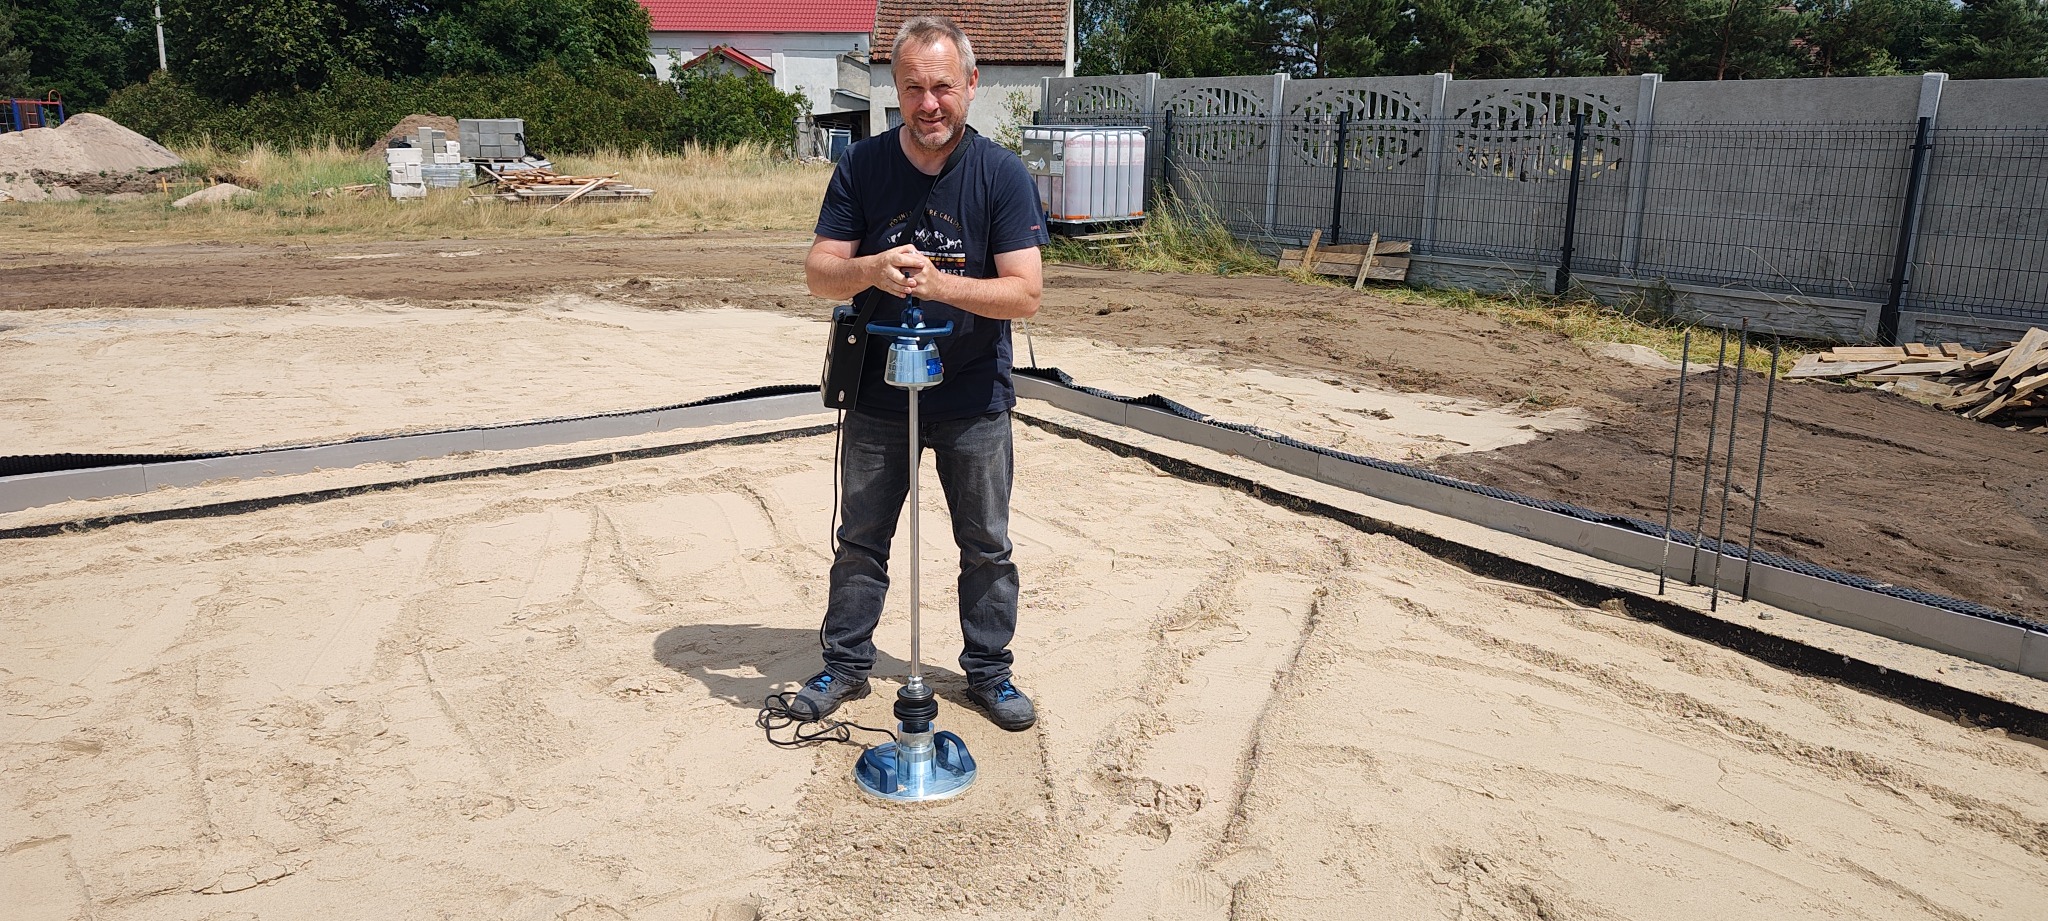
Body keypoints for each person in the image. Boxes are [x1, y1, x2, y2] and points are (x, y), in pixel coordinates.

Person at [795, 15, 1049, 731]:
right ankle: (845, 663)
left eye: (942, 86)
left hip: (973, 394)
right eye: (913, 88)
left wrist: (940, 285)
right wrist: (873, 268)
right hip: (878, 390)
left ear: (972, 84)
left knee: (987, 544)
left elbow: (1025, 292)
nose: (928, 103)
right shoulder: (863, 167)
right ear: (895, 91)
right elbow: (819, 272)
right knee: (862, 535)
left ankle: (990, 674)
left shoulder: (1002, 176)